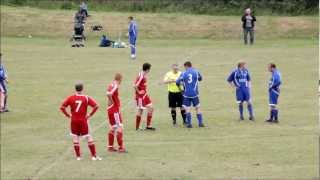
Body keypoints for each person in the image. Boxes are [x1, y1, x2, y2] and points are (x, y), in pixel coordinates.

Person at [60, 83, 101, 161]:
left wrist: (68, 115)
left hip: (74, 121)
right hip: (83, 121)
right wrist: (90, 114)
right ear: (82, 89)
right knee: (89, 137)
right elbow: (96, 106)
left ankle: (78, 157)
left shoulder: (71, 98)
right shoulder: (86, 98)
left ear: (75, 89)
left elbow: (62, 107)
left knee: (75, 138)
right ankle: (94, 156)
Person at [176, 61, 205, 128]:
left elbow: (177, 82)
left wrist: (181, 89)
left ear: (186, 66)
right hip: (195, 93)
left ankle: (189, 124)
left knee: (187, 108)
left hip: (186, 94)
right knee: (197, 108)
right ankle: (200, 123)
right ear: (191, 65)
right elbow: (200, 79)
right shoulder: (196, 72)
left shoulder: (183, 73)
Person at [106, 73, 126, 153]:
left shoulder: (111, 84)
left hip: (110, 109)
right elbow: (109, 94)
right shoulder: (116, 85)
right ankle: (121, 148)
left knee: (113, 127)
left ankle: (110, 147)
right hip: (114, 110)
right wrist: (112, 101)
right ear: (120, 79)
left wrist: (110, 101)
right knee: (119, 127)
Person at [134, 63, 155, 130]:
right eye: (149, 69)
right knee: (141, 110)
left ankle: (148, 126)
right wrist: (139, 92)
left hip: (145, 95)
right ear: (147, 69)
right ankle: (137, 127)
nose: (149, 71)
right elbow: (135, 85)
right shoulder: (141, 76)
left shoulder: (143, 74)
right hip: (140, 96)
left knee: (151, 108)